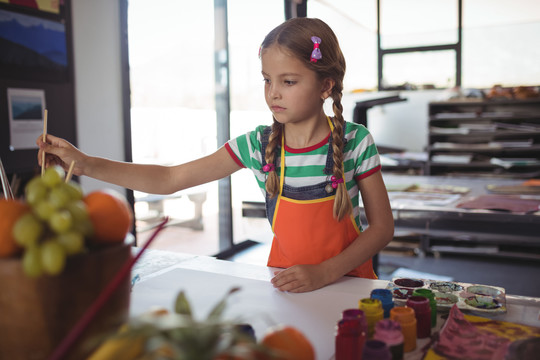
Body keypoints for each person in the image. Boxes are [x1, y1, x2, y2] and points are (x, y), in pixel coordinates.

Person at [37, 17, 394, 293]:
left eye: (288, 81)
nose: (273, 93)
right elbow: (170, 178)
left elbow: (382, 227)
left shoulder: (355, 141)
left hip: (351, 287)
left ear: (325, 85)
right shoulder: (257, 144)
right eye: (266, 80)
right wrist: (83, 163)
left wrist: (325, 272)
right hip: (286, 285)